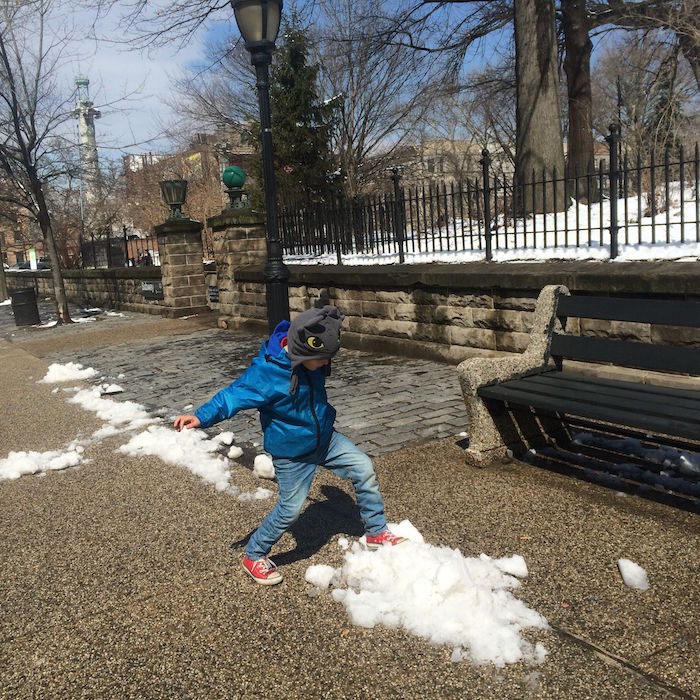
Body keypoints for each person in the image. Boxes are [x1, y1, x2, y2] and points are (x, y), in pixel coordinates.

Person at [174, 305, 405, 585]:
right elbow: (231, 397)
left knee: (363, 467)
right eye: (321, 359)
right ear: (302, 351)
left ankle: (376, 531)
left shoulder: (311, 357)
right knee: (290, 509)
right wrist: (200, 416)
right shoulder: (267, 375)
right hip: (292, 453)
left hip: (325, 439)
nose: (325, 365)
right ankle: (254, 554)